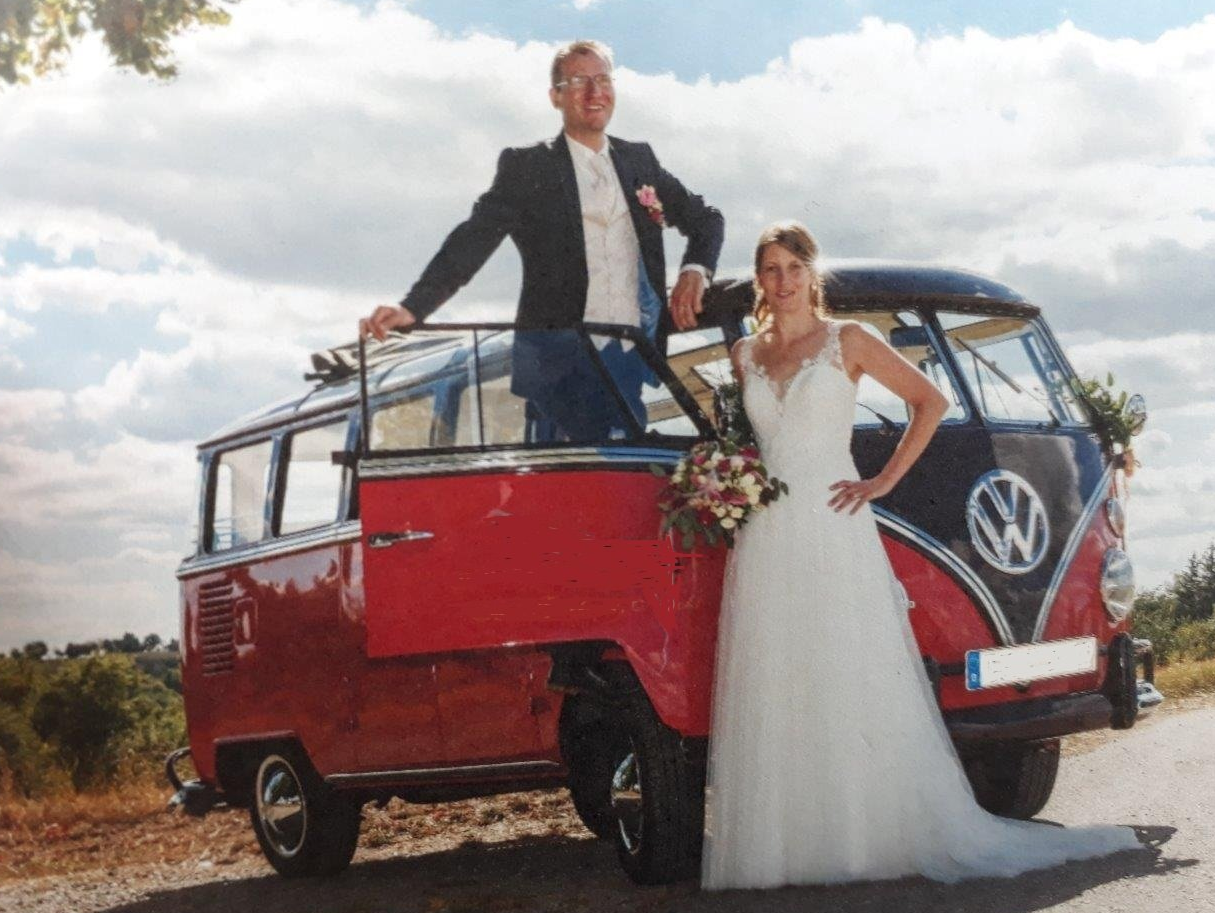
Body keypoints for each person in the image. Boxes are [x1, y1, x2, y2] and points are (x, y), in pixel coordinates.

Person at [700, 221, 1139, 890]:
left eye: (793, 266)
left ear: (812, 275)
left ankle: (862, 832)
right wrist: (727, 478)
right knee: (781, 673)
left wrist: (880, 482)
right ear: (759, 280)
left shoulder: (848, 340)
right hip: (767, 528)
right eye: (770, 269)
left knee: (848, 669)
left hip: (832, 514)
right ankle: (791, 841)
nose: (782, 280)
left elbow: (927, 402)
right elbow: (741, 437)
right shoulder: (744, 355)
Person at [360, 40, 724, 440]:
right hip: (559, 368)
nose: (595, 92)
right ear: (556, 96)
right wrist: (413, 307)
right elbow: (473, 239)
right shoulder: (527, 165)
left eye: (603, 80)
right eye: (579, 81)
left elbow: (706, 219)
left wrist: (695, 270)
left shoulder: (641, 161)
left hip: (630, 361)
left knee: (628, 478)